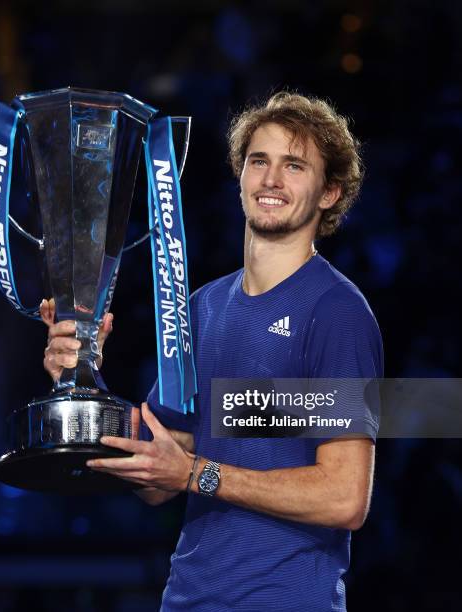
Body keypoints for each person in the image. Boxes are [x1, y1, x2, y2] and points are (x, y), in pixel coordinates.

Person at [41, 91, 383, 611]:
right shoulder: (200, 308)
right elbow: (157, 477)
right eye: (258, 161)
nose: (271, 180)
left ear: (329, 192)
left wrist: (198, 473)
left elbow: (345, 497)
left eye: (294, 166)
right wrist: (84, 376)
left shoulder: (336, 312)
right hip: (186, 599)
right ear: (240, 175)